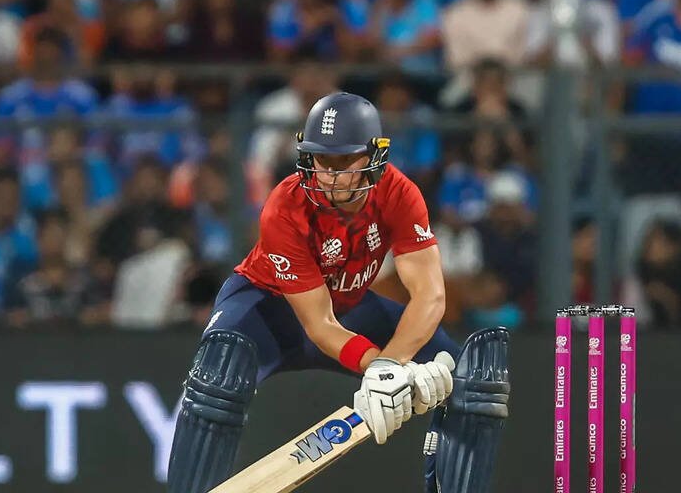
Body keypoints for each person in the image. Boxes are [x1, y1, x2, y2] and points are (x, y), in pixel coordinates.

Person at [166, 92, 510, 493]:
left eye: (343, 161)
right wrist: (381, 369)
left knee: (472, 376)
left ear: (374, 157)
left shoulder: (399, 194)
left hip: (349, 308)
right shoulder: (285, 206)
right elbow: (318, 323)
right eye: (321, 160)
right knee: (220, 369)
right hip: (268, 308)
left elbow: (430, 296)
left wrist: (393, 363)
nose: (329, 176)